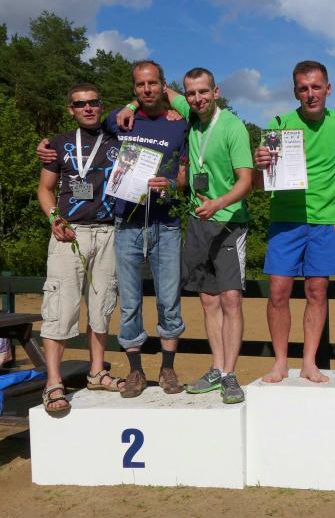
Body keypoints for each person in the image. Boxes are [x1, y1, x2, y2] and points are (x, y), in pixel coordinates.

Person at [38, 61, 189, 398]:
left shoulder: (179, 124)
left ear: (163, 85)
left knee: (164, 301)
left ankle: (165, 369)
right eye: (140, 85)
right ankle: (131, 372)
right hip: (120, 225)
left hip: (159, 224)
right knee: (125, 303)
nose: (147, 89)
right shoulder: (115, 122)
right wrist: (45, 149)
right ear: (133, 89)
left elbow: (184, 175)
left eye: (153, 83)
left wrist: (172, 184)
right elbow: (51, 175)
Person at [119, 67, 254, 403]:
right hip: (197, 222)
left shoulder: (233, 127)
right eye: (191, 93)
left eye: (203, 92)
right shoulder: (190, 116)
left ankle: (230, 375)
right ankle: (217, 368)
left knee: (231, 300)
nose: (197, 98)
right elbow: (159, 89)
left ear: (216, 92)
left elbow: (246, 181)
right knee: (208, 301)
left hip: (228, 222)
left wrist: (217, 203)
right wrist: (130, 106)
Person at [254, 61, 335, 383]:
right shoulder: (278, 124)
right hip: (285, 219)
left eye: (316, 87)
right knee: (278, 292)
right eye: (303, 88)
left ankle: (309, 363)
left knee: (317, 292)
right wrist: (260, 164)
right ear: (295, 91)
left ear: (328, 88)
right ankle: (280, 363)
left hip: (325, 220)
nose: (311, 94)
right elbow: (260, 181)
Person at [37, 83, 124, 413]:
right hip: (69, 235)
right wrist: (54, 218)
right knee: (60, 306)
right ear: (70, 109)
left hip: (108, 233)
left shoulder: (118, 141)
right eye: (79, 103)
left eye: (93, 102)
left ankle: (97, 372)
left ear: (101, 106)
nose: (87, 108)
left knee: (102, 306)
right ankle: (53, 382)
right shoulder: (57, 144)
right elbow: (45, 189)